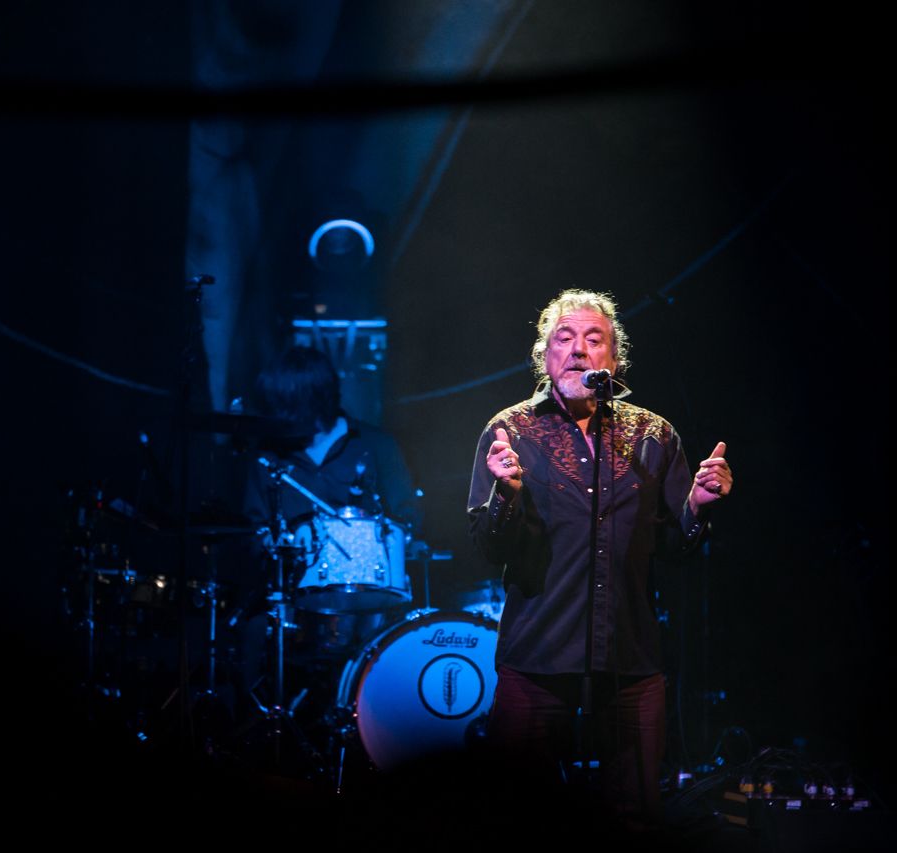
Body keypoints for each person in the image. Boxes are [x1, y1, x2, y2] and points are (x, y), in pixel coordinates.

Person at [467, 289, 732, 825]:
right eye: (564, 339)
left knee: (634, 815)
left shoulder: (654, 435)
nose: (579, 351)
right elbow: (488, 547)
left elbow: (678, 551)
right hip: (537, 659)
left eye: (595, 340)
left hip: (630, 661)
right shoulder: (510, 430)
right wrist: (506, 495)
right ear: (545, 356)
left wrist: (699, 508)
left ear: (614, 359)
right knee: (516, 816)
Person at [239, 346, 418, 708]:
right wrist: (274, 543)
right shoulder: (267, 456)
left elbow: (407, 517)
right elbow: (253, 527)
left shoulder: (375, 445)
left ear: (308, 400)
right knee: (251, 634)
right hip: (291, 599)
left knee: (388, 648)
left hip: (370, 596)